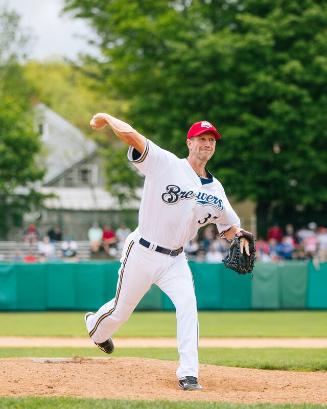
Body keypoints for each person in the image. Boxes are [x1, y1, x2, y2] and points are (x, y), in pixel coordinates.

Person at [84, 113, 251, 391]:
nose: (207, 144)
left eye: (211, 140)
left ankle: (189, 374)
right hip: (143, 251)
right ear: (189, 142)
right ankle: (95, 327)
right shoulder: (165, 164)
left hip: (176, 259)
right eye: (201, 139)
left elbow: (229, 226)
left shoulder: (216, 189)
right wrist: (106, 117)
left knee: (188, 306)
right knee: (120, 312)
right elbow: (132, 136)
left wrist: (240, 236)